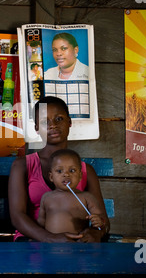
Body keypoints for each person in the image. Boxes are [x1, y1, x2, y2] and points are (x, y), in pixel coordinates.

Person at [8, 96, 110, 242]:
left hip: (76, 242)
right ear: (36, 128)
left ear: (69, 122)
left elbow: (103, 221)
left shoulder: (86, 171)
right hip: (31, 240)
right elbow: (18, 217)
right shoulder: (23, 165)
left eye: (59, 119)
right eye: (44, 121)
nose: (52, 125)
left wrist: (96, 233)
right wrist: (50, 238)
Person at [38, 149, 106, 236]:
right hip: (51, 244)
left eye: (72, 171)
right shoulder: (46, 197)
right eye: (59, 171)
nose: (66, 174)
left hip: (78, 242)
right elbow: (41, 222)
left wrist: (99, 221)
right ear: (51, 177)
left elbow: (100, 217)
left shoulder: (86, 197)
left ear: (80, 176)